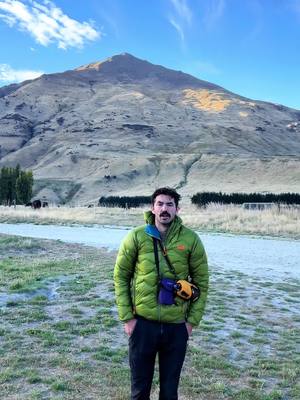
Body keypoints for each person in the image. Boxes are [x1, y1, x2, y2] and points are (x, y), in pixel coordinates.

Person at [114, 187, 209, 400]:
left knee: (169, 392)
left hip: (176, 327)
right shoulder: (136, 237)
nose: (164, 209)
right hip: (143, 325)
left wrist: (191, 322)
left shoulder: (191, 239)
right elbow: (120, 276)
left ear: (177, 208)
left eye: (169, 204)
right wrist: (128, 318)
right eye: (160, 204)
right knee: (139, 392)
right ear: (152, 207)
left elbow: (202, 282)